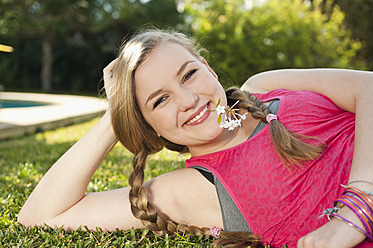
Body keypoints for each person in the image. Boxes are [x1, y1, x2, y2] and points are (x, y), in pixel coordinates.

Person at [17, 29, 373, 248]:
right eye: (160, 100)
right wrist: (116, 115)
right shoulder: (195, 188)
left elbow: (367, 86)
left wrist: (356, 209)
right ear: (149, 125)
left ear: (210, 69)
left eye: (189, 75)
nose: (188, 101)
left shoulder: (264, 86)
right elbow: (41, 215)